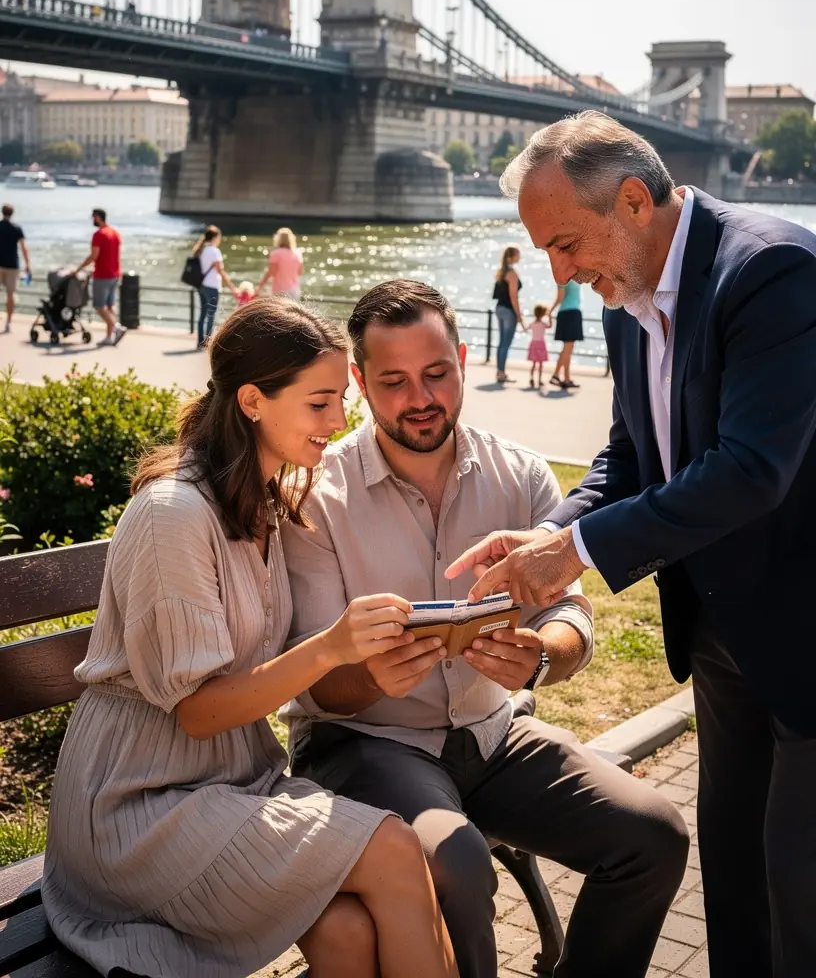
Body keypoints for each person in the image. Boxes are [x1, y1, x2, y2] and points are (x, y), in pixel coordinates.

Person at [447, 110, 816, 978]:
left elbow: (749, 470)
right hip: (721, 635)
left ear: (636, 201)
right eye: (545, 252)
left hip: (805, 631)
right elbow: (629, 452)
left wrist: (573, 558)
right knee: (734, 885)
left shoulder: (771, 270)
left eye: (567, 243)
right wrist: (551, 529)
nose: (560, 272)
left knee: (801, 891)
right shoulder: (625, 295)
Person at [280, 279, 688, 978]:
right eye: (395, 381)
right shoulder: (318, 494)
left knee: (653, 834)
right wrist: (368, 675)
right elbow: (313, 679)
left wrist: (542, 659)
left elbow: (572, 613)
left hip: (494, 737)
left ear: (465, 358)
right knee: (460, 864)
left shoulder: (521, 473)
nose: (421, 398)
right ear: (358, 381)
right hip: (365, 745)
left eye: (437, 373)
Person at [42, 299, 459, 978]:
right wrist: (330, 646)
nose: (341, 421)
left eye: (342, 401)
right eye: (321, 403)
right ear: (253, 401)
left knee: (348, 931)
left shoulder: (263, 504)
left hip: (224, 783)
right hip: (136, 808)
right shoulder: (174, 515)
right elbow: (197, 712)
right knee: (393, 848)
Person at [72, 208, 125, 346]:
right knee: (109, 306)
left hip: (102, 274)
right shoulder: (115, 233)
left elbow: (94, 256)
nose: (92, 220)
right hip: (115, 274)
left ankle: (116, 328)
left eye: (93, 217)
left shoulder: (99, 235)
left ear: (97, 217)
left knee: (99, 306)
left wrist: (79, 268)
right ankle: (109, 337)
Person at [191, 225, 238, 349]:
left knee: (202, 314)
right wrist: (233, 288)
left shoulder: (201, 250)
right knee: (211, 314)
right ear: (215, 237)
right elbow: (220, 271)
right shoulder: (214, 251)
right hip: (212, 286)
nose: (220, 240)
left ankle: (200, 342)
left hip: (201, 285)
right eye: (219, 237)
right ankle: (208, 342)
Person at [492, 246, 524, 383]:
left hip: (499, 308)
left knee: (502, 342)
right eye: (518, 254)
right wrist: (519, 315)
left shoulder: (501, 271)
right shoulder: (512, 274)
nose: (520, 256)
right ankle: (501, 373)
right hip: (508, 310)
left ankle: (500, 372)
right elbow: (513, 296)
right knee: (506, 343)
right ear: (512, 256)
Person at [0, 203, 32, 333]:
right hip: (12, 265)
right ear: (12, 214)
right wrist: (28, 264)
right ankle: (8, 322)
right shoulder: (16, 228)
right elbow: (23, 247)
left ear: (2, 212)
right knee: (11, 295)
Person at [550, 279, 583, 389]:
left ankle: (561, 377)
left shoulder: (566, 277)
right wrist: (550, 311)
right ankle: (561, 376)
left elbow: (559, 298)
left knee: (567, 348)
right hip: (569, 313)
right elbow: (560, 298)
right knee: (568, 348)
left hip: (571, 313)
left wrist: (550, 311)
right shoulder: (566, 278)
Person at [257, 226, 304, 300]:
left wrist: (260, 287)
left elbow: (271, 273)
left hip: (280, 291)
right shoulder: (298, 253)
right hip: (295, 291)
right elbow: (300, 272)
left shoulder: (276, 253)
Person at [527, 302, 551, 388]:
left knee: (534, 364)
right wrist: (550, 317)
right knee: (540, 364)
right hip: (541, 344)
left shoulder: (533, 323)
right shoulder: (543, 324)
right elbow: (550, 326)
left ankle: (531, 378)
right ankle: (539, 380)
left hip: (534, 343)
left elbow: (527, 327)